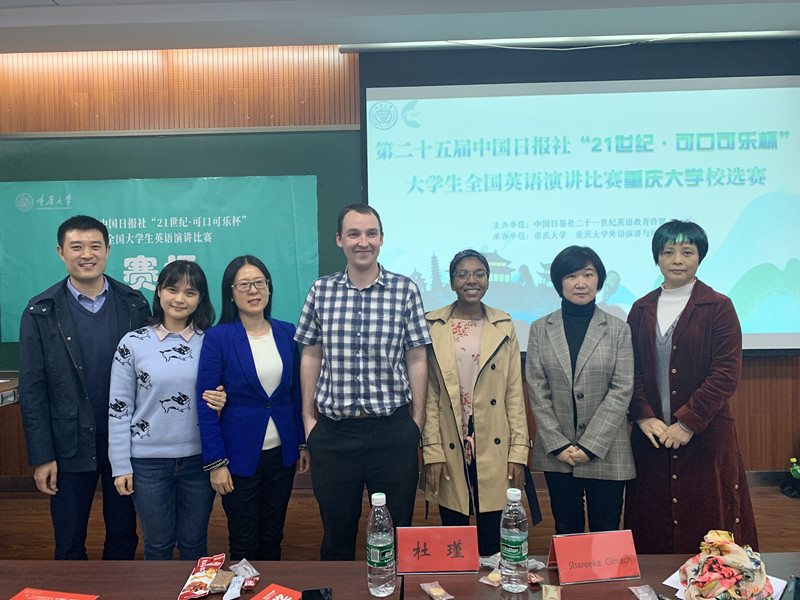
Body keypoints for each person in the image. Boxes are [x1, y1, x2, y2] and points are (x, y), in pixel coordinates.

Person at [295, 203, 431, 561]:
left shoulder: (405, 290)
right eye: (353, 234)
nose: (363, 242)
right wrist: (308, 418)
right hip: (334, 434)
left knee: (396, 532)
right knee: (336, 534)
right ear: (339, 239)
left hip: (392, 431)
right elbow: (311, 352)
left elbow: (417, 356)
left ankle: (393, 587)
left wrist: (416, 421)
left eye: (371, 233)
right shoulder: (321, 290)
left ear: (382, 239)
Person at [19, 215, 150, 560]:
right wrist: (42, 456)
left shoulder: (134, 303)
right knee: (69, 536)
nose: (87, 254)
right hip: (68, 442)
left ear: (108, 250)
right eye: (76, 247)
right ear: (61, 252)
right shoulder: (41, 310)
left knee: (123, 531)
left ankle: (118, 585)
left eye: (95, 246)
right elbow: (32, 390)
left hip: (124, 440)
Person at [624, 220, 758, 553]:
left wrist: (687, 423)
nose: (677, 260)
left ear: (700, 257)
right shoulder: (640, 309)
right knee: (650, 522)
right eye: (668, 252)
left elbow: (725, 373)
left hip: (705, 435)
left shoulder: (719, 306)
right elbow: (630, 369)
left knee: (708, 521)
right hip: (652, 437)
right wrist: (642, 415)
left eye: (687, 252)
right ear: (657, 257)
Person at [107, 260, 226, 560]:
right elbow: (119, 409)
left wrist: (224, 399)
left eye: (190, 292)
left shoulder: (212, 342)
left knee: (194, 544)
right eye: (172, 289)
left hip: (200, 461)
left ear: (200, 298)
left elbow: (230, 394)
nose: (180, 299)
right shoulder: (133, 343)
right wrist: (120, 465)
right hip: (147, 464)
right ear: (159, 291)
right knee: (157, 545)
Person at [197, 255, 308, 561]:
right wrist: (216, 463)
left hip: (281, 456)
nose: (253, 290)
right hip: (238, 458)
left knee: (273, 536)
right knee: (244, 541)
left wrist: (301, 444)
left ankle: (270, 586)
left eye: (259, 282)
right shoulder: (218, 337)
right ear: (230, 293)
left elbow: (295, 394)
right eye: (243, 285)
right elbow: (206, 405)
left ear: (269, 288)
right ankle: (245, 586)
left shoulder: (286, 332)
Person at [422, 249, 530, 556]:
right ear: (451, 282)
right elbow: (429, 395)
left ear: (488, 279)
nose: (472, 280)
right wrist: (432, 450)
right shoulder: (433, 325)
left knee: (493, 538)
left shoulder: (503, 325)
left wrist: (518, 451)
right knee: (454, 535)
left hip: (493, 442)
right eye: (463, 274)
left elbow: (513, 394)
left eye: (479, 273)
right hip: (449, 440)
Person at [526, 246, 634, 535]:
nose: (581, 283)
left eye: (588, 274)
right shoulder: (540, 328)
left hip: (607, 448)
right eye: (571, 276)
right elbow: (537, 387)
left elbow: (622, 388)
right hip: (558, 451)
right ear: (558, 282)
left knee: (607, 530)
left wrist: (589, 446)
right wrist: (558, 444)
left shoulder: (618, 329)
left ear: (599, 280)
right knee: (566, 528)